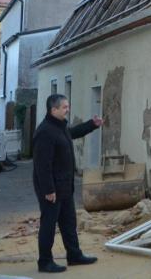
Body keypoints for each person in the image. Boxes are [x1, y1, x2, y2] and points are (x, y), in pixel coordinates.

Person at [33, 94, 103, 273]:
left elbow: (72, 133)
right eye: (64, 107)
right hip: (52, 189)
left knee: (69, 222)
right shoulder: (45, 132)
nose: (67, 110)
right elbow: (42, 165)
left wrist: (92, 125)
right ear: (53, 109)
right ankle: (45, 262)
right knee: (49, 225)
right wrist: (48, 189)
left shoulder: (60, 127)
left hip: (64, 187)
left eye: (67, 106)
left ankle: (74, 255)